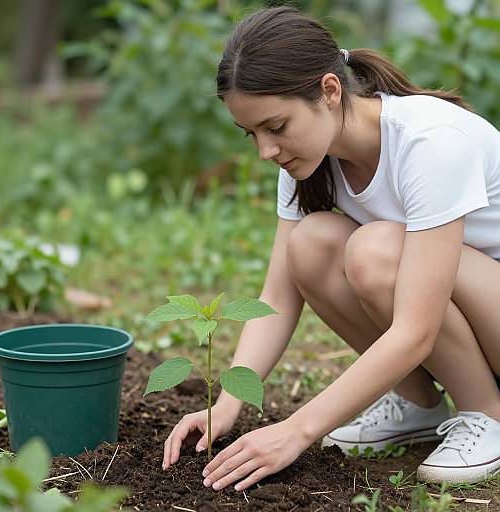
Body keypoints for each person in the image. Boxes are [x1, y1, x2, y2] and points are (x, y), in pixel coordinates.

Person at [161, 5, 500, 492]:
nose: (265, 151)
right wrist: (227, 402)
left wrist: (296, 430)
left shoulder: (431, 143)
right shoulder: (308, 159)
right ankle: (416, 404)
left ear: (330, 90)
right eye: (251, 134)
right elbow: (277, 296)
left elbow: (416, 330)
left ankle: (486, 414)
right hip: (469, 316)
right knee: (311, 244)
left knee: (376, 250)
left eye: (276, 127)